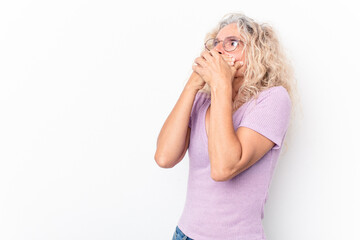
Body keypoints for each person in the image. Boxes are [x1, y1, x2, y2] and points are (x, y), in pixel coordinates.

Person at [154, 12, 298, 240]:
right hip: (184, 234)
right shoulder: (203, 100)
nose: (219, 50)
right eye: (216, 44)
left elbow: (223, 168)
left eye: (232, 43)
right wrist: (193, 84)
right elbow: (164, 157)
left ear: (257, 51)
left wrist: (221, 83)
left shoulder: (272, 100)